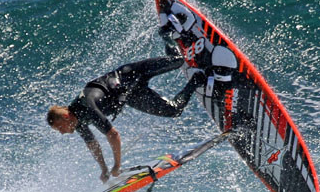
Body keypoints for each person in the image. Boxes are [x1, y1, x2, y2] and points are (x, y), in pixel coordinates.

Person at [47, 53, 208, 182]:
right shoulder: (78, 122)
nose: (61, 132)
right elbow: (93, 145)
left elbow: (113, 134)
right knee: (173, 111)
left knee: (180, 60)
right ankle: (197, 80)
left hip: (132, 73)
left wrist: (116, 165)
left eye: (60, 127)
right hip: (133, 95)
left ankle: (168, 35)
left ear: (66, 116)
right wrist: (104, 169)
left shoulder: (87, 106)